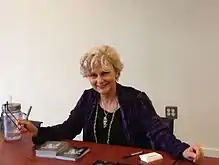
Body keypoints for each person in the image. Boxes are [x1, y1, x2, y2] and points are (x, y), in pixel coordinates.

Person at [18, 45, 203, 163]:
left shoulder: (135, 99)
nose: (99, 80)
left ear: (116, 73)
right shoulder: (88, 98)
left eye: (105, 73)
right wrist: (38, 132)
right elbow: (68, 128)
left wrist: (183, 149)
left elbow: (159, 132)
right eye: (93, 75)